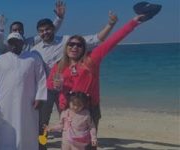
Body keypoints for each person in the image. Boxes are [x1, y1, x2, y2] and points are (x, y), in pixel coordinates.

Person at [47, 9, 159, 149]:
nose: (74, 47)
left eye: (79, 45)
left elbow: (113, 40)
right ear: (66, 47)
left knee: (87, 142)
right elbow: (50, 85)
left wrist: (135, 21)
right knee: (69, 140)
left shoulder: (91, 60)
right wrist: (57, 86)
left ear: (83, 48)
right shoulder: (59, 66)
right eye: (71, 44)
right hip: (68, 109)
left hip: (89, 107)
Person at [36, 11, 119, 150]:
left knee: (70, 119)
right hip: (48, 89)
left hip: (67, 89)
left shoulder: (67, 41)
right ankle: (41, 146)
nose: (45, 32)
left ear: (53, 28)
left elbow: (96, 39)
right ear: (39, 33)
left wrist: (110, 25)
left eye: (48, 29)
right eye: (41, 31)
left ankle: (74, 143)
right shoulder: (36, 50)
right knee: (42, 121)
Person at [0, 32, 47, 150]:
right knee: (5, 129)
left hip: (28, 102)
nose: (14, 44)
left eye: (16, 41)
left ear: (22, 43)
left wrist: (40, 97)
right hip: (5, 103)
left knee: (28, 127)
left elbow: (41, 78)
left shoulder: (33, 58)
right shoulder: (0, 60)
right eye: (11, 42)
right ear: (8, 44)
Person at [0, 0, 66, 54]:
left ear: (24, 31)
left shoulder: (31, 42)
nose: (18, 32)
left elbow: (48, 33)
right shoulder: (6, 45)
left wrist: (59, 18)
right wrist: (1, 29)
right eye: (14, 30)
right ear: (10, 32)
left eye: (20, 30)